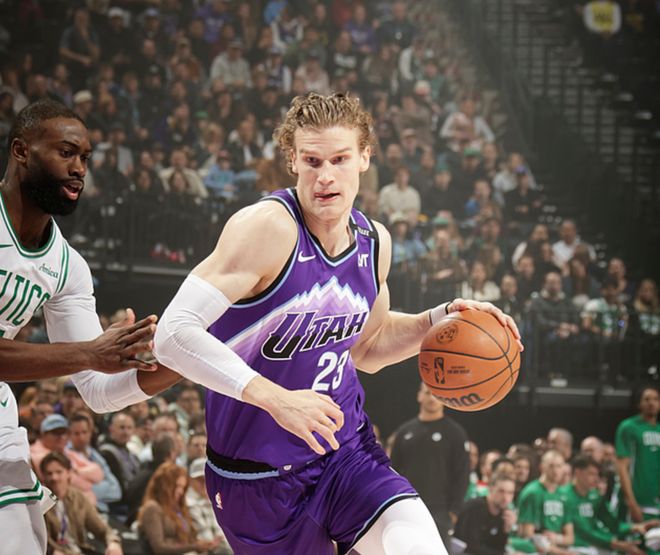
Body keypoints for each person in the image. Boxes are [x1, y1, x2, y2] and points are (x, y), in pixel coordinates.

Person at [153, 92, 522, 554]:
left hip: (345, 452)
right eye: (312, 161)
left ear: (365, 157)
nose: (325, 176)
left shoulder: (373, 241)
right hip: (256, 478)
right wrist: (276, 399)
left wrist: (439, 319)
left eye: (340, 159)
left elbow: (368, 347)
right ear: (292, 161)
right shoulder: (267, 228)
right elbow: (172, 334)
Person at [0, 99, 181, 554]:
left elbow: (98, 390)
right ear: (21, 151)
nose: (79, 168)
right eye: (66, 153)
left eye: (85, 157)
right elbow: (88, 356)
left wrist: (184, 360)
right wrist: (90, 352)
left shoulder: (67, 266)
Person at [389, 383, 471, 545]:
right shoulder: (404, 432)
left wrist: (453, 512)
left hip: (439, 511)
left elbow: (462, 474)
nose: (432, 398)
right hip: (407, 507)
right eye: (427, 393)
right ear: (419, 396)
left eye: (437, 394)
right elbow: (393, 471)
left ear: (444, 398)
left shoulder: (455, 433)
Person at [558, 454, 652, 555]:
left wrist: (633, 528)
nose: (596, 479)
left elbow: (612, 523)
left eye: (597, 474)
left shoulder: (595, 496)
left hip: (595, 547)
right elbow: (583, 530)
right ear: (578, 472)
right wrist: (615, 544)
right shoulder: (563, 496)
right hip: (573, 547)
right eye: (591, 474)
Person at [41, 452, 123, 555]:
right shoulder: (39, 502)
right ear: (43, 476)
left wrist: (113, 543)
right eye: (49, 473)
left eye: (59, 472)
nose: (54, 478)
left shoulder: (78, 498)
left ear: (68, 473)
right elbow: (41, 540)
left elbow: (102, 529)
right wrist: (52, 551)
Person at [137, 462, 215, 555]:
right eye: (177, 486)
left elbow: (187, 539)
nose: (181, 492)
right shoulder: (152, 508)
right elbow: (159, 547)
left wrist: (202, 544)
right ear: (165, 485)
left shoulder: (177, 508)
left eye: (183, 487)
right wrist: (195, 546)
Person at [615, 386, 660, 523]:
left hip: (656, 502)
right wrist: (631, 503)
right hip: (637, 503)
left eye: (656, 399)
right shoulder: (629, 427)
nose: (651, 403)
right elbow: (622, 467)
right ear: (639, 404)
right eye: (647, 399)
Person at [517, 450, 574, 555]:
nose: (555, 471)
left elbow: (570, 538)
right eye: (551, 466)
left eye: (559, 466)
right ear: (542, 467)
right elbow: (527, 535)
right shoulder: (532, 493)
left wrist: (557, 538)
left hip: (558, 547)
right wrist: (562, 552)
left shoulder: (564, 496)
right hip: (536, 550)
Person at [454, 474, 518, 555]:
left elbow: (498, 548)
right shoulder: (476, 506)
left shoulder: (504, 514)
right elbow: (471, 546)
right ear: (490, 489)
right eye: (501, 491)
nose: (506, 497)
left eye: (510, 493)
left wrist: (506, 530)